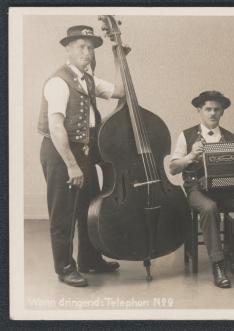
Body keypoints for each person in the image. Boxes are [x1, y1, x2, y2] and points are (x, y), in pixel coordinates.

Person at [38, 25, 127, 287]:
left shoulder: (87, 79)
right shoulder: (58, 81)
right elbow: (56, 127)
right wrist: (71, 165)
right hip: (60, 152)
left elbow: (120, 91)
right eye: (81, 46)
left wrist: (117, 58)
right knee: (63, 213)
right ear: (68, 48)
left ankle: (90, 260)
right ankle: (65, 268)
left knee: (88, 208)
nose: (87, 52)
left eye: (90, 47)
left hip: (85, 151)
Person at [168, 90, 234, 289]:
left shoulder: (231, 137)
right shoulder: (186, 135)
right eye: (208, 109)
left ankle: (233, 253)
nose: (212, 113)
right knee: (209, 208)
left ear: (222, 112)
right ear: (199, 111)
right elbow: (173, 168)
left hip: (225, 191)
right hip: (196, 191)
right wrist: (191, 156)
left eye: (217, 109)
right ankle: (218, 266)